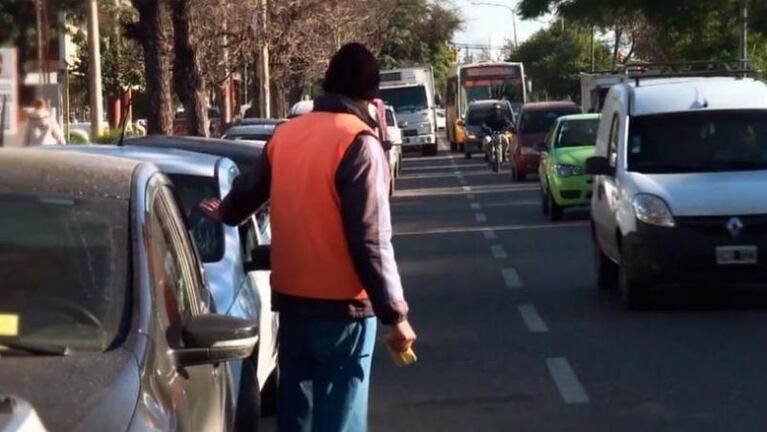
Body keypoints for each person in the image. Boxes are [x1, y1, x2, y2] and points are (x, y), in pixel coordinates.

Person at [200, 43, 416, 432]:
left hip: (293, 302)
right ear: (371, 93)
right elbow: (370, 240)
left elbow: (245, 197)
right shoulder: (359, 143)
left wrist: (223, 212)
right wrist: (395, 315)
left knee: (296, 414)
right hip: (345, 310)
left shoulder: (287, 135)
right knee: (340, 416)